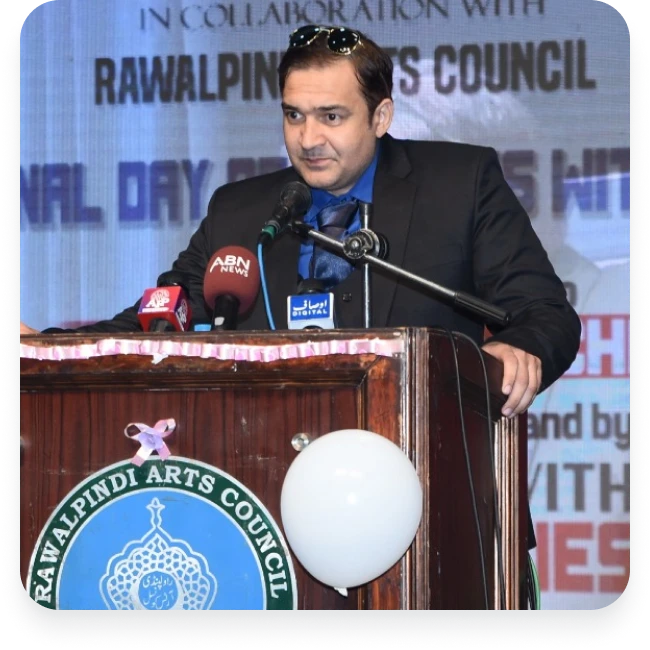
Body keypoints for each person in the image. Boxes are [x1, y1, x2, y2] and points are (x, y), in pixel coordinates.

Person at [21, 26, 580, 577]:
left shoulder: (459, 186)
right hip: (268, 519)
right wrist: (47, 349)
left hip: (431, 509)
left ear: (380, 116)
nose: (308, 138)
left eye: (331, 117)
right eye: (294, 115)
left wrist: (516, 350)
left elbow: (544, 313)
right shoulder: (240, 211)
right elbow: (164, 316)